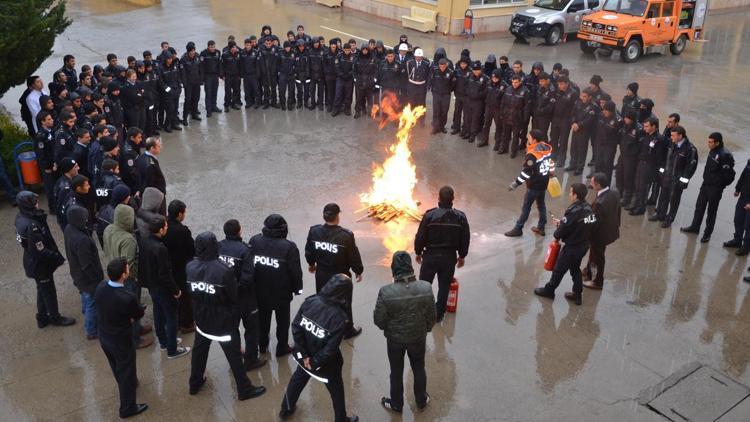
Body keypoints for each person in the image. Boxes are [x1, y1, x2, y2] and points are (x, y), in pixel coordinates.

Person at [187, 232, 267, 400]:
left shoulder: (190, 267)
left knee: (199, 352)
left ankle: (194, 383)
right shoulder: (223, 270)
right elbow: (233, 296)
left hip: (202, 320)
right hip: (222, 323)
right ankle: (244, 389)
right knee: (235, 357)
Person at [279, 274, 359, 422]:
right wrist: (314, 362)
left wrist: (304, 355)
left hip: (303, 359)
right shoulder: (339, 318)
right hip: (325, 366)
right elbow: (330, 349)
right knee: (336, 389)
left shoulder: (310, 301)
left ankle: (286, 408)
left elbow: (296, 326)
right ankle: (341, 419)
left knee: (297, 380)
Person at [374, 251, 436, 413]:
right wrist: (425, 329)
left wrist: (389, 329)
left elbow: (378, 320)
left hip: (395, 340)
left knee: (396, 372)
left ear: (393, 269)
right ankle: (421, 400)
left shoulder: (385, 291)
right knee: (419, 368)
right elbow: (432, 316)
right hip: (418, 337)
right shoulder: (426, 287)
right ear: (411, 267)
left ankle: (396, 403)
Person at [95, 258, 149, 419]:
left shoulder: (101, 287)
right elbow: (138, 313)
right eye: (127, 268)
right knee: (126, 370)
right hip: (120, 339)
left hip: (104, 335)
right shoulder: (127, 296)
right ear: (124, 275)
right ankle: (128, 407)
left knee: (116, 366)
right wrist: (130, 319)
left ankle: (126, 385)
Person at [15, 192, 76, 328]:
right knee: (48, 292)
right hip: (40, 265)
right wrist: (56, 257)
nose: (37, 203)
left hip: (32, 261)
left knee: (42, 289)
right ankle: (55, 317)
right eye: (34, 201)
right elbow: (39, 250)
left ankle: (42, 317)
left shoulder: (21, 218)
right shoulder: (31, 225)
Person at [248, 214, 304, 359]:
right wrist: (298, 289)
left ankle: (262, 345)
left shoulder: (255, 240)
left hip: (260, 292)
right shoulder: (289, 247)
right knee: (282, 322)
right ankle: (282, 347)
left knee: (262, 321)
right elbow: (295, 272)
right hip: (281, 293)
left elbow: (249, 265)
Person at [305, 203, 364, 338]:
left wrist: (311, 264)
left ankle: (326, 326)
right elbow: (353, 256)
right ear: (338, 216)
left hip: (322, 273)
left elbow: (309, 250)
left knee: (323, 300)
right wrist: (358, 270)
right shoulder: (346, 235)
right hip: (341, 275)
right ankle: (347, 330)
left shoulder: (314, 231)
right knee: (344, 302)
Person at [534, 183, 596, 305]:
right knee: (575, 269)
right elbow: (581, 225)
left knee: (558, 269)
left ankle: (549, 290)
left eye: (571, 192)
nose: (569, 194)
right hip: (583, 245)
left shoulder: (573, 211)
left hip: (572, 247)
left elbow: (559, 233)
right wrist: (563, 223)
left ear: (575, 195)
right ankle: (577, 294)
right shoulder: (589, 209)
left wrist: (560, 227)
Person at [414, 186, 470, 322]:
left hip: (430, 257)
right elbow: (465, 238)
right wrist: (462, 256)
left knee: (424, 285)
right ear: (453, 200)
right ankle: (438, 314)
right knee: (444, 286)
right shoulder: (460, 217)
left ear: (438, 198)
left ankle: (423, 311)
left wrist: (418, 252)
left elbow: (420, 236)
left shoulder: (429, 215)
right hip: (449, 258)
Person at [103, 202, 154, 349]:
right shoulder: (128, 239)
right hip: (128, 279)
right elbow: (129, 263)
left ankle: (137, 329)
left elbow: (105, 247)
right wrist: (135, 276)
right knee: (132, 307)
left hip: (114, 270)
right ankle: (135, 338)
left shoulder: (109, 229)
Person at [218, 219, 267, 369]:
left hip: (227, 297)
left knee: (232, 329)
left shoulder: (218, 247)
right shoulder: (245, 250)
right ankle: (251, 360)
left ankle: (236, 355)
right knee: (252, 329)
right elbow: (248, 277)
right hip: (245, 298)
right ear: (239, 231)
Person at [140, 215, 191, 359]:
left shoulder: (144, 241)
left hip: (152, 285)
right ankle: (172, 349)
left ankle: (163, 341)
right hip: (163, 288)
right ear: (161, 230)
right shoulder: (160, 248)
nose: (167, 228)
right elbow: (165, 274)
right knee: (171, 317)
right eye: (166, 227)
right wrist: (176, 290)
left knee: (158, 312)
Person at [680, 132, 735, 243]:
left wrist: (720, 185)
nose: (708, 144)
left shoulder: (725, 155)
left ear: (717, 143)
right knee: (699, 207)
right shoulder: (713, 150)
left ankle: (707, 234)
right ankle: (695, 227)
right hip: (706, 185)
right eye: (708, 142)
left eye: (710, 142)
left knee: (711, 211)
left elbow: (729, 175)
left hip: (715, 188)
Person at [64, 206, 104, 340]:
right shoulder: (82, 240)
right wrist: (97, 279)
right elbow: (86, 264)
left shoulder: (69, 229)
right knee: (92, 302)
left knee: (86, 297)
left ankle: (85, 312)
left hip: (77, 274)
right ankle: (91, 330)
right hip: (88, 279)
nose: (87, 219)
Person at [505, 129, 554, 237]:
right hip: (544, 183)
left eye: (529, 137)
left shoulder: (532, 155)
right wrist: (551, 172)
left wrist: (516, 183)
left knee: (526, 208)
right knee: (541, 205)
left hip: (534, 185)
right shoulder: (546, 148)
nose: (528, 138)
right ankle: (541, 227)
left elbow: (526, 172)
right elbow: (551, 162)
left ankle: (518, 228)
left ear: (534, 139)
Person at [649, 126, 698, 228]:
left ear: (680, 136)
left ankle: (669, 218)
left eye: (673, 135)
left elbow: (690, 167)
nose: (671, 138)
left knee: (674, 200)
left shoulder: (690, 149)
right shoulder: (672, 144)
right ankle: (660, 214)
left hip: (677, 180)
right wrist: (662, 172)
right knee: (663, 197)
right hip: (667, 176)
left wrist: (683, 181)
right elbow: (665, 158)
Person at [582, 173, 621, 290]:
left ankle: (597, 281)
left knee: (598, 256)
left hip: (600, 234)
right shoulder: (614, 192)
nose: (590, 184)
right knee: (594, 253)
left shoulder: (600, 203)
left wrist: (581, 221)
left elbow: (593, 220)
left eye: (592, 183)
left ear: (598, 185)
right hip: (610, 229)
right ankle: (587, 271)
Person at [163, 200, 196, 333]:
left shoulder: (163, 226)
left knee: (171, 295)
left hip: (167, 267)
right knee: (184, 297)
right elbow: (191, 250)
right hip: (181, 268)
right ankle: (186, 323)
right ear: (180, 214)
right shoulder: (183, 231)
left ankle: (174, 322)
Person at [630, 117, 667, 215]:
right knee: (637, 185)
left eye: (647, 126)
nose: (644, 128)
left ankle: (640, 208)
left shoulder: (658, 139)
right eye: (644, 126)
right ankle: (636, 204)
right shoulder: (646, 135)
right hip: (641, 163)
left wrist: (657, 170)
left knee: (643, 188)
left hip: (650, 166)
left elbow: (660, 157)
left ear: (654, 127)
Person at [567, 88, 598, 175]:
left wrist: (578, 125)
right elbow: (573, 113)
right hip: (575, 128)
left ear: (590, 97)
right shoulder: (578, 102)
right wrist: (573, 123)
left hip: (584, 130)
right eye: (582, 96)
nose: (582, 98)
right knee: (573, 147)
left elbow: (589, 120)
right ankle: (572, 164)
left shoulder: (593, 107)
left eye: (585, 96)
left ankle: (580, 167)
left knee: (581, 149)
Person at [725, 159, 750, 256]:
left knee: (748, 226)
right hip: (744, 196)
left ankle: (746, 247)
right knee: (738, 219)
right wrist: (738, 189)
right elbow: (743, 176)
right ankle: (737, 240)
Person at [549, 76, 575, 167]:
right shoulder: (557, 91)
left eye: (561, 84)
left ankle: (562, 158)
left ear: (567, 84)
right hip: (556, 118)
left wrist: (571, 121)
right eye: (558, 84)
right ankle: (553, 155)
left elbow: (574, 108)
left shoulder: (572, 93)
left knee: (563, 141)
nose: (559, 86)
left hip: (566, 120)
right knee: (553, 138)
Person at [33, 111, 57, 211]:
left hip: (53, 163)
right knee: (50, 187)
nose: (52, 120)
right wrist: (47, 167)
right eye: (49, 119)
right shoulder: (40, 136)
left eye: (51, 118)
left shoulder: (50, 131)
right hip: (47, 166)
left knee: (55, 185)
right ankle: (52, 207)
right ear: (42, 122)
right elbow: (41, 154)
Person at [461, 61, 488, 143]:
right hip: (469, 100)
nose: (476, 71)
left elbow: (486, 91)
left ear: (480, 70)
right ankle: (468, 132)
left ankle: (473, 134)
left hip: (478, 102)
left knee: (475, 119)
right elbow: (465, 86)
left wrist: (478, 95)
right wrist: (468, 93)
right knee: (468, 117)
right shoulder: (469, 76)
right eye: (474, 70)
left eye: (477, 70)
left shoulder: (485, 78)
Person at [429, 58, 455, 135]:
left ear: (446, 65)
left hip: (446, 95)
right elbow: (432, 80)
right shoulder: (435, 70)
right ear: (439, 65)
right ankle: (435, 128)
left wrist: (448, 91)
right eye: (441, 66)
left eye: (443, 66)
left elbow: (453, 84)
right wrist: (433, 90)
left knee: (444, 111)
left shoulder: (450, 72)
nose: (442, 68)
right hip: (437, 94)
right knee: (436, 111)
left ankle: (442, 127)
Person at [353, 43, 378, 119]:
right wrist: (355, 78)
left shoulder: (372, 58)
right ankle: (358, 111)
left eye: (366, 49)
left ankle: (370, 111)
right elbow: (354, 70)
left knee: (370, 98)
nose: (365, 51)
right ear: (361, 50)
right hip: (360, 81)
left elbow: (376, 70)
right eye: (363, 49)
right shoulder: (357, 58)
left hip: (369, 81)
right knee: (359, 98)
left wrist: (374, 78)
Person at [180, 42, 202, 125]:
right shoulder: (183, 59)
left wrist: (201, 79)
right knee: (188, 100)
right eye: (191, 51)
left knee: (196, 98)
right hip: (188, 84)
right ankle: (185, 118)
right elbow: (183, 73)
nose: (193, 52)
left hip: (196, 82)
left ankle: (194, 114)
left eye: (194, 50)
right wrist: (184, 83)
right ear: (188, 51)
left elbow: (200, 68)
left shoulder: (197, 56)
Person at [405, 49, 431, 121]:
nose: (418, 58)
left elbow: (428, 75)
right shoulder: (409, 63)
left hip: (421, 86)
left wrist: (428, 85)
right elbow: (407, 74)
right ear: (415, 56)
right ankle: (411, 119)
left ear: (422, 56)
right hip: (412, 85)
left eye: (420, 56)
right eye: (417, 56)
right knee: (411, 102)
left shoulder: (426, 64)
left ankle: (421, 120)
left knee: (421, 103)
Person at [200, 40, 223, 117]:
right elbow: (201, 67)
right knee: (208, 93)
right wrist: (202, 79)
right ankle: (208, 110)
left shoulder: (218, 52)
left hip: (215, 76)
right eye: (211, 47)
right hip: (207, 76)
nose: (212, 48)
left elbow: (219, 64)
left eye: (213, 47)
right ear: (208, 47)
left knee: (214, 92)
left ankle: (214, 106)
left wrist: (221, 74)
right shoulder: (203, 54)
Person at [332, 43, 355, 117]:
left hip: (349, 78)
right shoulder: (339, 56)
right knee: (338, 94)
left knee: (348, 95)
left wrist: (349, 74)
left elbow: (354, 68)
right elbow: (336, 66)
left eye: (349, 50)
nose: (347, 51)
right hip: (340, 78)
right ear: (343, 49)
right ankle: (336, 109)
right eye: (346, 50)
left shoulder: (353, 57)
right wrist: (341, 74)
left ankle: (347, 108)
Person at [240, 37, 262, 109]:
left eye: (249, 45)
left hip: (254, 74)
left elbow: (258, 64)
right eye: (247, 45)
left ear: (251, 45)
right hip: (246, 75)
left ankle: (257, 102)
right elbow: (241, 64)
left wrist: (258, 74)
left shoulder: (255, 52)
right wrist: (242, 74)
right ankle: (249, 102)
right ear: (245, 45)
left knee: (256, 89)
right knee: (247, 90)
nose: (248, 46)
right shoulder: (242, 53)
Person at [221, 42, 243, 111]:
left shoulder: (238, 54)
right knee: (228, 91)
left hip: (236, 76)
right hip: (228, 76)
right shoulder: (225, 55)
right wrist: (223, 75)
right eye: (233, 47)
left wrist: (240, 75)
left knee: (236, 90)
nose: (235, 49)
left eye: (235, 47)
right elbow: (222, 66)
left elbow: (240, 65)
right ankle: (226, 105)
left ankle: (233, 104)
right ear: (230, 48)